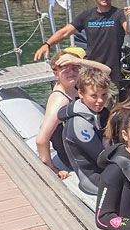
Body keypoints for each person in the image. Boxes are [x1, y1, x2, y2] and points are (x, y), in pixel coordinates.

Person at [33, 0, 130, 107]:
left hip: (111, 72)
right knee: (86, 105)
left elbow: (129, 31)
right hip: (89, 69)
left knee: (107, 109)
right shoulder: (87, 15)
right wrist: (47, 44)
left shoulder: (120, 14)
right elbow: (65, 32)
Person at [36, 48, 110, 179]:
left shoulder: (75, 86)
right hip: (74, 156)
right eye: (65, 68)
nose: (71, 72)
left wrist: (78, 61)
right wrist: (53, 168)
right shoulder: (60, 100)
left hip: (87, 141)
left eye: (75, 68)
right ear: (56, 73)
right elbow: (41, 139)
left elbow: (107, 71)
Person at [58, 68, 111, 194]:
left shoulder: (97, 113)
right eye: (94, 96)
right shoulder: (80, 123)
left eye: (104, 95)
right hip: (93, 180)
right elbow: (102, 158)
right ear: (80, 93)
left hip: (103, 172)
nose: (100, 101)